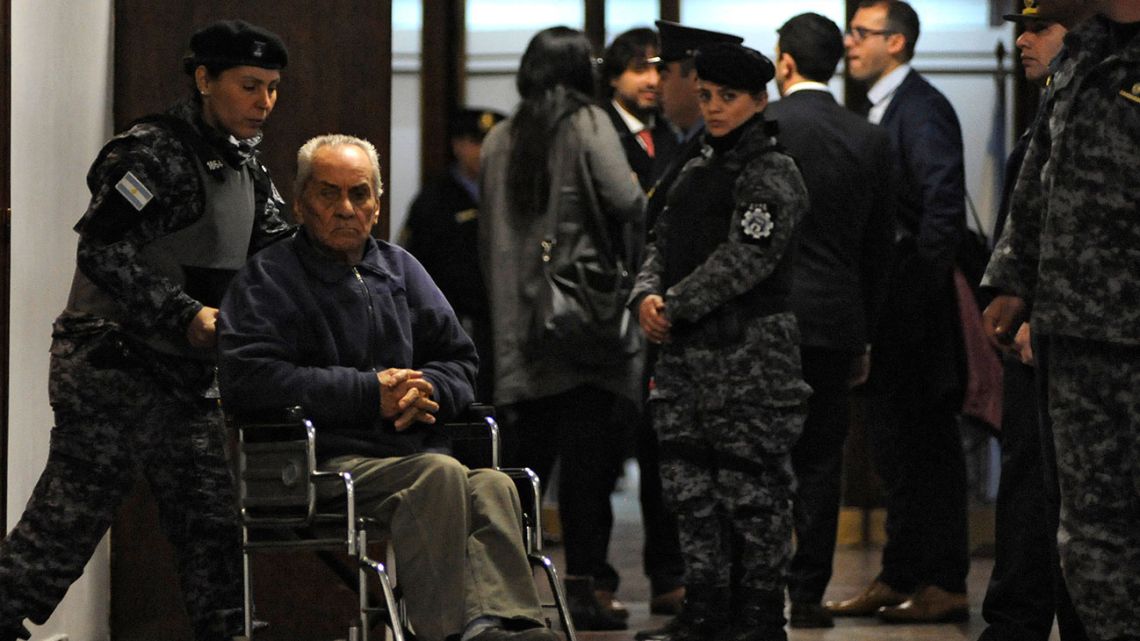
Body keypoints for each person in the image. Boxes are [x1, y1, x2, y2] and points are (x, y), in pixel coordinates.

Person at [0, 20, 292, 641]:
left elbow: (274, 253)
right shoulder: (151, 153)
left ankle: (229, 632)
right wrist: (183, 314)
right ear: (204, 80)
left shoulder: (246, 167)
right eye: (249, 85)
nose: (264, 102)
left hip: (185, 377)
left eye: (272, 88)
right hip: (113, 364)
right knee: (71, 517)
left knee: (212, 522)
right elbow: (102, 250)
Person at [217, 134, 560, 641]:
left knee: (493, 484)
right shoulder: (269, 278)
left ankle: (504, 624)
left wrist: (428, 389)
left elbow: (460, 358)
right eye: (328, 194)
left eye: (359, 194)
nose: (345, 208)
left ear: (377, 205)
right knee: (440, 475)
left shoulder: (399, 268)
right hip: (321, 460)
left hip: (410, 451)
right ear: (300, 202)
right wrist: (366, 392)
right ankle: (443, 631)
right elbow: (249, 378)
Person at [631, 42, 811, 641]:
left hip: (749, 360)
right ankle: (705, 610)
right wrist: (646, 297)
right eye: (706, 95)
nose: (713, 108)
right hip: (685, 359)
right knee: (689, 490)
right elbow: (659, 240)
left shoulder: (771, 170)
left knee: (753, 493)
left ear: (759, 100)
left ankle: (760, 618)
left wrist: (673, 306)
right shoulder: (694, 165)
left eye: (727, 98)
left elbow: (747, 258)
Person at [479, 26, 646, 632]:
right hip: (581, 329)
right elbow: (628, 199)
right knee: (587, 474)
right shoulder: (587, 124)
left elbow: (493, 244)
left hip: (521, 334)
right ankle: (585, 592)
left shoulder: (500, 139)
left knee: (522, 474)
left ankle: (511, 595)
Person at [981, 1, 1140, 639]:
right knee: (1086, 531)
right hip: (1074, 339)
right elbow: (1036, 182)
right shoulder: (1082, 54)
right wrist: (1013, 283)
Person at [825, 0, 972, 624]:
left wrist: (916, 296)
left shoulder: (921, 107)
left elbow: (941, 210)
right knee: (893, 449)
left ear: (898, 43)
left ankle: (943, 580)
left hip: (916, 310)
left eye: (862, 34)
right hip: (888, 306)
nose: (850, 43)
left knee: (927, 448)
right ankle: (900, 574)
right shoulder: (881, 107)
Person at [764, 12, 895, 630]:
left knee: (760, 454)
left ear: (784, 62)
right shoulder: (865, 137)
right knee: (820, 461)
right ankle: (808, 594)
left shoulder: (761, 127)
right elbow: (877, 247)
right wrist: (864, 329)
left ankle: (756, 584)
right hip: (837, 320)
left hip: (767, 321)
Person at [976, 5, 1088, 641]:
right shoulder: (1052, 108)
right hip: (1035, 338)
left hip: (1068, 337)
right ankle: (1016, 619)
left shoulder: (1096, 103)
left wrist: (1037, 310)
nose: (1022, 38)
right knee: (1027, 489)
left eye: (1040, 24)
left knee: (1061, 497)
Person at [401, 107, 506, 402]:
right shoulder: (435, 198)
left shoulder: (508, 193)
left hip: (499, 320)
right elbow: (414, 259)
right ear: (458, 145)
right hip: (453, 319)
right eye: (476, 141)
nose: (484, 151)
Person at [647, 20, 743, 230]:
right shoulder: (677, 140)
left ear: (696, 80)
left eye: (664, 76)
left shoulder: (725, 150)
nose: (657, 86)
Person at [600, 27, 677, 192]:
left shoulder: (672, 130)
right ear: (614, 77)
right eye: (640, 69)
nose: (653, 81)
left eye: (659, 70)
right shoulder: (599, 129)